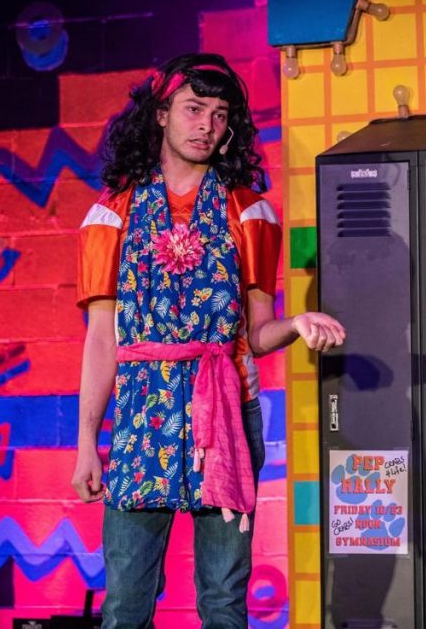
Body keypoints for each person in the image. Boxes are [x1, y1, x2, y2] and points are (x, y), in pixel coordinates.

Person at [70, 53, 345, 627]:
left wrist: (295, 325)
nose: (206, 125)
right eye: (193, 109)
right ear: (161, 114)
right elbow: (101, 340)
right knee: (125, 602)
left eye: (220, 115)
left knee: (223, 598)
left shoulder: (250, 211)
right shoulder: (111, 214)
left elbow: (258, 332)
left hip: (226, 411)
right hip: (142, 412)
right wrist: (86, 442)